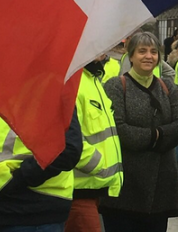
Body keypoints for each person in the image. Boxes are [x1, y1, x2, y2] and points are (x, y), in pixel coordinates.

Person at [100, 32, 178, 232]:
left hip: (161, 189)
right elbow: (121, 131)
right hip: (126, 189)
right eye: (142, 51)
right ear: (131, 56)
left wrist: (149, 136)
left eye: (154, 52)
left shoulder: (168, 87)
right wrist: (158, 136)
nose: (149, 56)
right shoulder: (116, 86)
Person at [0, 110, 82, 232]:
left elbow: (67, 150)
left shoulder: (51, 92)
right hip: (10, 207)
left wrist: (20, 178)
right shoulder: (18, 93)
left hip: (33, 208)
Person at [65, 58, 123, 232]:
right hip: (79, 190)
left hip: (93, 188)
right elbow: (68, 138)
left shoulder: (92, 78)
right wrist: (100, 166)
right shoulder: (73, 82)